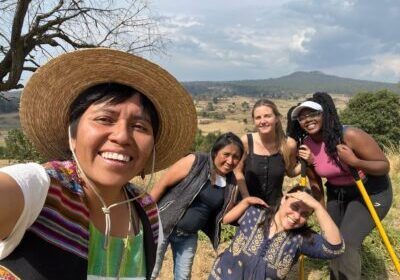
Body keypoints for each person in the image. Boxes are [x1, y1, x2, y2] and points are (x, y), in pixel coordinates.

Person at [0, 48, 197, 280]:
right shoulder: (41, 189)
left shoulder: (148, 216)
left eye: (140, 126)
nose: (122, 136)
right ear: (72, 135)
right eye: (105, 119)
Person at [288, 92, 393, 280]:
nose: (308, 120)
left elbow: (384, 166)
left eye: (313, 114)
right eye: (302, 117)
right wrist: (318, 210)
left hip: (371, 191)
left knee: (348, 241)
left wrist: (355, 161)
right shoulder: (307, 145)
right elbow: (315, 183)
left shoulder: (349, 135)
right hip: (337, 193)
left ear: (325, 114)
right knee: (332, 239)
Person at [150, 132, 244, 280]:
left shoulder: (231, 183)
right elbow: (162, 184)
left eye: (236, 157)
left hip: (188, 236)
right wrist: (142, 215)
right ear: (215, 152)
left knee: (183, 276)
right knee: (151, 272)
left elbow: (224, 217)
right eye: (226, 154)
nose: (230, 160)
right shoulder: (196, 161)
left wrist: (247, 202)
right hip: (162, 226)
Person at [209, 185, 345, 280]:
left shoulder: (300, 238)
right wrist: (245, 202)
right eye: (295, 207)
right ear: (284, 199)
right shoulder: (253, 214)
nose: (297, 216)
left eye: (305, 214)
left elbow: (334, 249)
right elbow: (222, 217)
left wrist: (318, 207)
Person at [234, 99, 296, 206]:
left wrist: (309, 162)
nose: (263, 121)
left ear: (276, 118)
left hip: (274, 208)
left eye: (267, 116)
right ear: (254, 121)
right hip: (247, 207)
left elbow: (290, 171)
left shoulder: (289, 144)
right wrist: (246, 199)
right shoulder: (246, 142)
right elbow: (237, 172)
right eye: (258, 117)